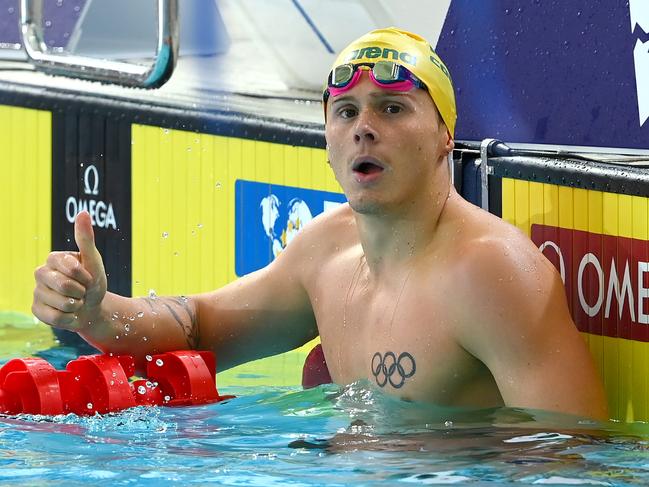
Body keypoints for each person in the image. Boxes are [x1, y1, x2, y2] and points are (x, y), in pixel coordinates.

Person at [32, 28, 608, 420]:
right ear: (328, 143)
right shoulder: (328, 252)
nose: (364, 127)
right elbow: (200, 328)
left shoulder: (488, 271)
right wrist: (97, 313)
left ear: (445, 137)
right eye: (347, 112)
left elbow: (574, 458)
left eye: (392, 107)